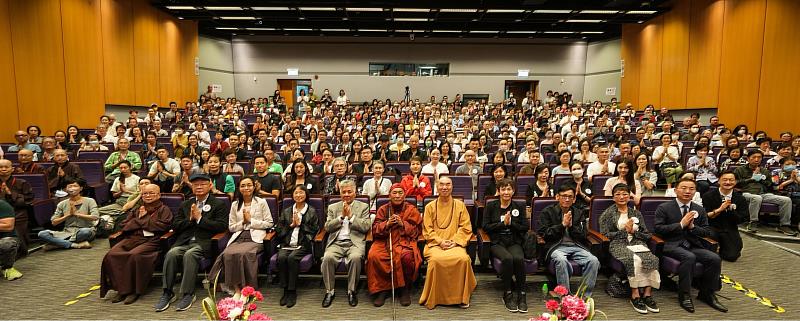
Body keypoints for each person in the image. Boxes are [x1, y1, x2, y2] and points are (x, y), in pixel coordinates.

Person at [155, 174, 229, 312]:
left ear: (210, 185)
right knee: (171, 253)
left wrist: (200, 219)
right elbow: (175, 225)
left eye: (202, 184)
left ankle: (188, 293)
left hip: (204, 243)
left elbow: (221, 226)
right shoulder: (186, 204)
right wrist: (189, 219)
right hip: (184, 241)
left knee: (190, 254)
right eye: (196, 184)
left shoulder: (218, 204)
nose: (199, 187)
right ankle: (167, 292)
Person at [654, 178, 726, 313]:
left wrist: (692, 227)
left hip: (693, 244)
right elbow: (658, 229)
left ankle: (707, 293)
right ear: (675, 190)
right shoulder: (664, 207)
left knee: (714, 258)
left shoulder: (699, 209)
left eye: (691, 189)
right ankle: (684, 294)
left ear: (695, 192)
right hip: (671, 244)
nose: (687, 191)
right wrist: (680, 225)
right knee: (689, 257)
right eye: (683, 188)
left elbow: (706, 231)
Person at [100, 184, 172, 304]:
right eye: (145, 193)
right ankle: (121, 290)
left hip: (152, 241)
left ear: (159, 195)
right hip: (133, 239)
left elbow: (163, 226)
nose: (148, 196)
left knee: (134, 255)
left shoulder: (164, 209)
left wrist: (141, 220)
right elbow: (124, 225)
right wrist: (141, 220)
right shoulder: (137, 209)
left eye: (151, 193)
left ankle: (134, 291)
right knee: (111, 254)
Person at [599, 183, 660, 314]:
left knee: (652, 258)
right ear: (613, 197)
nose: (622, 197)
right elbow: (604, 234)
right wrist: (623, 231)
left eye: (625, 194)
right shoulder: (608, 213)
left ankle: (648, 295)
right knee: (633, 260)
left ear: (629, 196)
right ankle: (635, 295)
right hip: (618, 243)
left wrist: (633, 232)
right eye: (618, 194)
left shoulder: (636, 213)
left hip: (637, 242)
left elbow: (646, 234)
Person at [419, 175, 476, 309]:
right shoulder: (429, 207)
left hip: (455, 244)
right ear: (437, 187)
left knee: (463, 259)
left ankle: (462, 297)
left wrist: (455, 241)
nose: (445, 187)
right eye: (442, 185)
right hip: (435, 245)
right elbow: (427, 230)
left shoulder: (460, 205)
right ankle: (436, 297)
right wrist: (440, 242)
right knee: (435, 261)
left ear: (452, 187)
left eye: (448, 184)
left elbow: (466, 227)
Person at [209, 177, 273, 294]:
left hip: (256, 237)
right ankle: (236, 288)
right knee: (227, 253)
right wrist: (243, 222)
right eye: (243, 185)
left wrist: (251, 221)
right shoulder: (235, 204)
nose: (246, 188)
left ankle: (247, 288)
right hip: (239, 236)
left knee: (244, 254)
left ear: (254, 187)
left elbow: (269, 223)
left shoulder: (261, 202)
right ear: (239, 188)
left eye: (249, 185)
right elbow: (231, 227)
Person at [366, 184, 423, 307]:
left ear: (405, 195)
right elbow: (375, 229)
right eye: (394, 193)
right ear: (389, 195)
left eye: (400, 193)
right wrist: (386, 224)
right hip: (385, 240)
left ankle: (404, 289)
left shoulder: (411, 209)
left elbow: (417, 231)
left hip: (404, 241)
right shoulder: (383, 209)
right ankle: (383, 289)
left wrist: (403, 224)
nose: (397, 196)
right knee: (374, 255)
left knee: (406, 257)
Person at [539, 184, 599, 297]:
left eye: (570, 197)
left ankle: (584, 297)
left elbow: (583, 235)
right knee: (561, 260)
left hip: (576, 246)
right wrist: (562, 225)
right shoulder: (547, 212)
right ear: (557, 197)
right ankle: (565, 296)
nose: (567, 199)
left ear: (574, 199)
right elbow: (545, 234)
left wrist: (571, 227)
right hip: (556, 246)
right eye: (564, 196)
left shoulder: (578, 213)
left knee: (593, 260)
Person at [321, 179, 371, 307]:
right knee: (327, 258)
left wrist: (352, 217)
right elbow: (327, 227)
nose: (347, 194)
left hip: (354, 242)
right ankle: (329, 291)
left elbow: (366, 227)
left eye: (350, 192)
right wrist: (341, 217)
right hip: (336, 243)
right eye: (344, 192)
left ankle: (351, 291)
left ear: (355, 193)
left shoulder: (363, 206)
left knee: (355, 258)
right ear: (340, 193)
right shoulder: (333, 207)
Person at [482, 178, 530, 313]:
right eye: (503, 189)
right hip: (497, 241)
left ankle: (521, 293)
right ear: (498, 191)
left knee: (519, 259)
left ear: (513, 191)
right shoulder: (491, 206)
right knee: (508, 259)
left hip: (513, 240)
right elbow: (485, 227)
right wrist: (502, 224)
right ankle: (507, 292)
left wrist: (511, 224)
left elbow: (525, 227)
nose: (506, 192)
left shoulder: (518, 206)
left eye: (509, 189)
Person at [275, 184, 319, 308]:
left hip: (303, 244)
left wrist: (300, 225)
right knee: (282, 257)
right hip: (287, 243)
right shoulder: (287, 211)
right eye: (296, 193)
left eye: (301, 193)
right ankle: (285, 290)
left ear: (306, 195)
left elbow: (315, 230)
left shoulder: (311, 211)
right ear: (292, 195)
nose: (298, 195)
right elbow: (279, 230)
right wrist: (291, 226)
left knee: (292, 258)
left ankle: (292, 291)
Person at [734, 150, 796, 235]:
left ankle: (784, 225)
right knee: (756, 198)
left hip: (763, 193)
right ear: (748, 159)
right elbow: (735, 183)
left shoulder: (765, 171)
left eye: (759, 157)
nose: (756, 159)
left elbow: (770, 185)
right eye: (754, 157)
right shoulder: (740, 170)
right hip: (746, 193)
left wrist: (762, 179)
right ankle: (753, 222)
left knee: (786, 200)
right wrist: (752, 178)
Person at [38, 178, 98, 250]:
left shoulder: (89, 201)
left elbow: (95, 217)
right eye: (69, 186)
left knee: (85, 232)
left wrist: (77, 214)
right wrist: (67, 215)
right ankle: (75, 245)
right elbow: (54, 222)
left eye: (75, 186)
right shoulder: (62, 204)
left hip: (85, 229)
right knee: (42, 234)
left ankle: (56, 244)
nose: (72, 188)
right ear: (66, 189)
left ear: (81, 188)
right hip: (67, 232)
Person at [702, 170, 747, 262]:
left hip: (730, 228)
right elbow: (705, 216)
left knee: (732, 256)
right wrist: (720, 209)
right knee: (709, 254)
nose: (728, 182)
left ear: (735, 182)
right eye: (725, 180)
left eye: (731, 180)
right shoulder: (708, 196)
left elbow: (742, 219)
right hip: (712, 227)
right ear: (719, 181)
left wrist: (731, 210)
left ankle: (722, 247)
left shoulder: (740, 198)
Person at [0, 159, 34, 255]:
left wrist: (10, 194)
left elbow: (28, 200)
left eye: (6, 167)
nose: (3, 169)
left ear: (12, 169)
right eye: (1, 167)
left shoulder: (22, 182)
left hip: (18, 212)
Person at [0, 199, 22, 281]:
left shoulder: (3, 205)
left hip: (6, 239)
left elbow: (8, 226)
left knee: (6, 244)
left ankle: (7, 267)